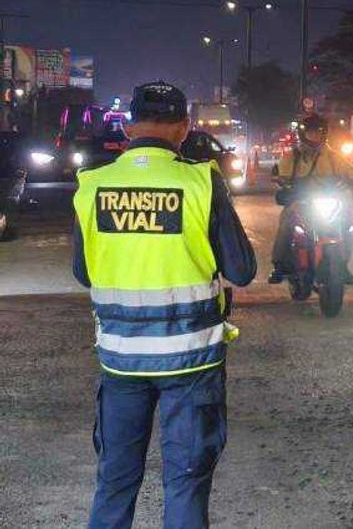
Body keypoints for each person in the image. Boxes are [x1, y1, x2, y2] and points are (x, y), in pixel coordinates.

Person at [72, 80, 256, 528]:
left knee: (115, 480)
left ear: (131, 126)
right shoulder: (200, 181)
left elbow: (83, 272)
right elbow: (242, 270)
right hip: (191, 365)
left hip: (122, 362)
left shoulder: (94, 184)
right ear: (184, 128)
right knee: (186, 481)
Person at [267, 113, 353, 284]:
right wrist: (281, 180)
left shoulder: (332, 156)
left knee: (347, 225)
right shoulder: (293, 156)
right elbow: (280, 172)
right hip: (302, 201)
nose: (314, 136)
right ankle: (279, 265)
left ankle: (342, 266)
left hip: (329, 201)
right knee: (287, 221)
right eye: (311, 133)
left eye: (318, 132)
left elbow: (349, 169)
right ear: (303, 135)